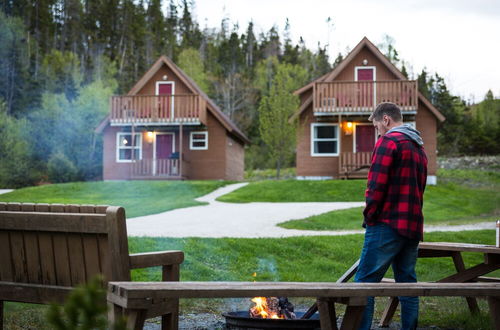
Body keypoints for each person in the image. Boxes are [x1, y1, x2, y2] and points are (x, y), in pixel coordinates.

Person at [354, 102, 428, 330]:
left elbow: (375, 186)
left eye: (377, 125)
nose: (377, 130)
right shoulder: (418, 147)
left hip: (387, 223)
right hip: (412, 225)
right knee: (407, 285)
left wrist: (370, 216)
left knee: (363, 286)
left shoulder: (389, 141)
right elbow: (420, 187)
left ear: (385, 120)